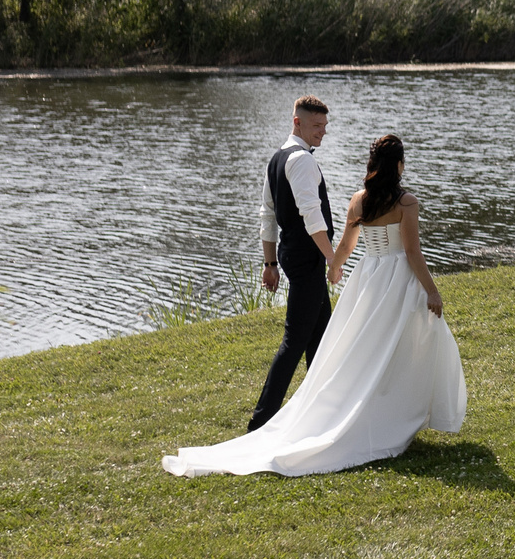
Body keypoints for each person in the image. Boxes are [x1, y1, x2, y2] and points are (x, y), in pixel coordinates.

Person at [164, 133, 465, 478]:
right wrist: (432, 291)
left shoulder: (358, 201)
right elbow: (412, 252)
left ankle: (377, 410)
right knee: (403, 346)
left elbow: (347, 249)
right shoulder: (407, 203)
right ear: (398, 165)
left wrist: (334, 268)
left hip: (368, 279)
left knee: (366, 349)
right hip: (397, 281)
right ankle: (392, 414)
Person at [248, 93, 340, 432]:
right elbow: (311, 216)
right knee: (295, 339)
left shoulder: (277, 159)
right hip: (306, 257)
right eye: (316, 125)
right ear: (297, 122)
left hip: (292, 255)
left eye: (325, 125)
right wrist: (332, 259)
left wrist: (270, 263)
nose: (323, 132)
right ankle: (260, 422)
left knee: (320, 334)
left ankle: (321, 410)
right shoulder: (301, 160)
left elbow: (268, 215)